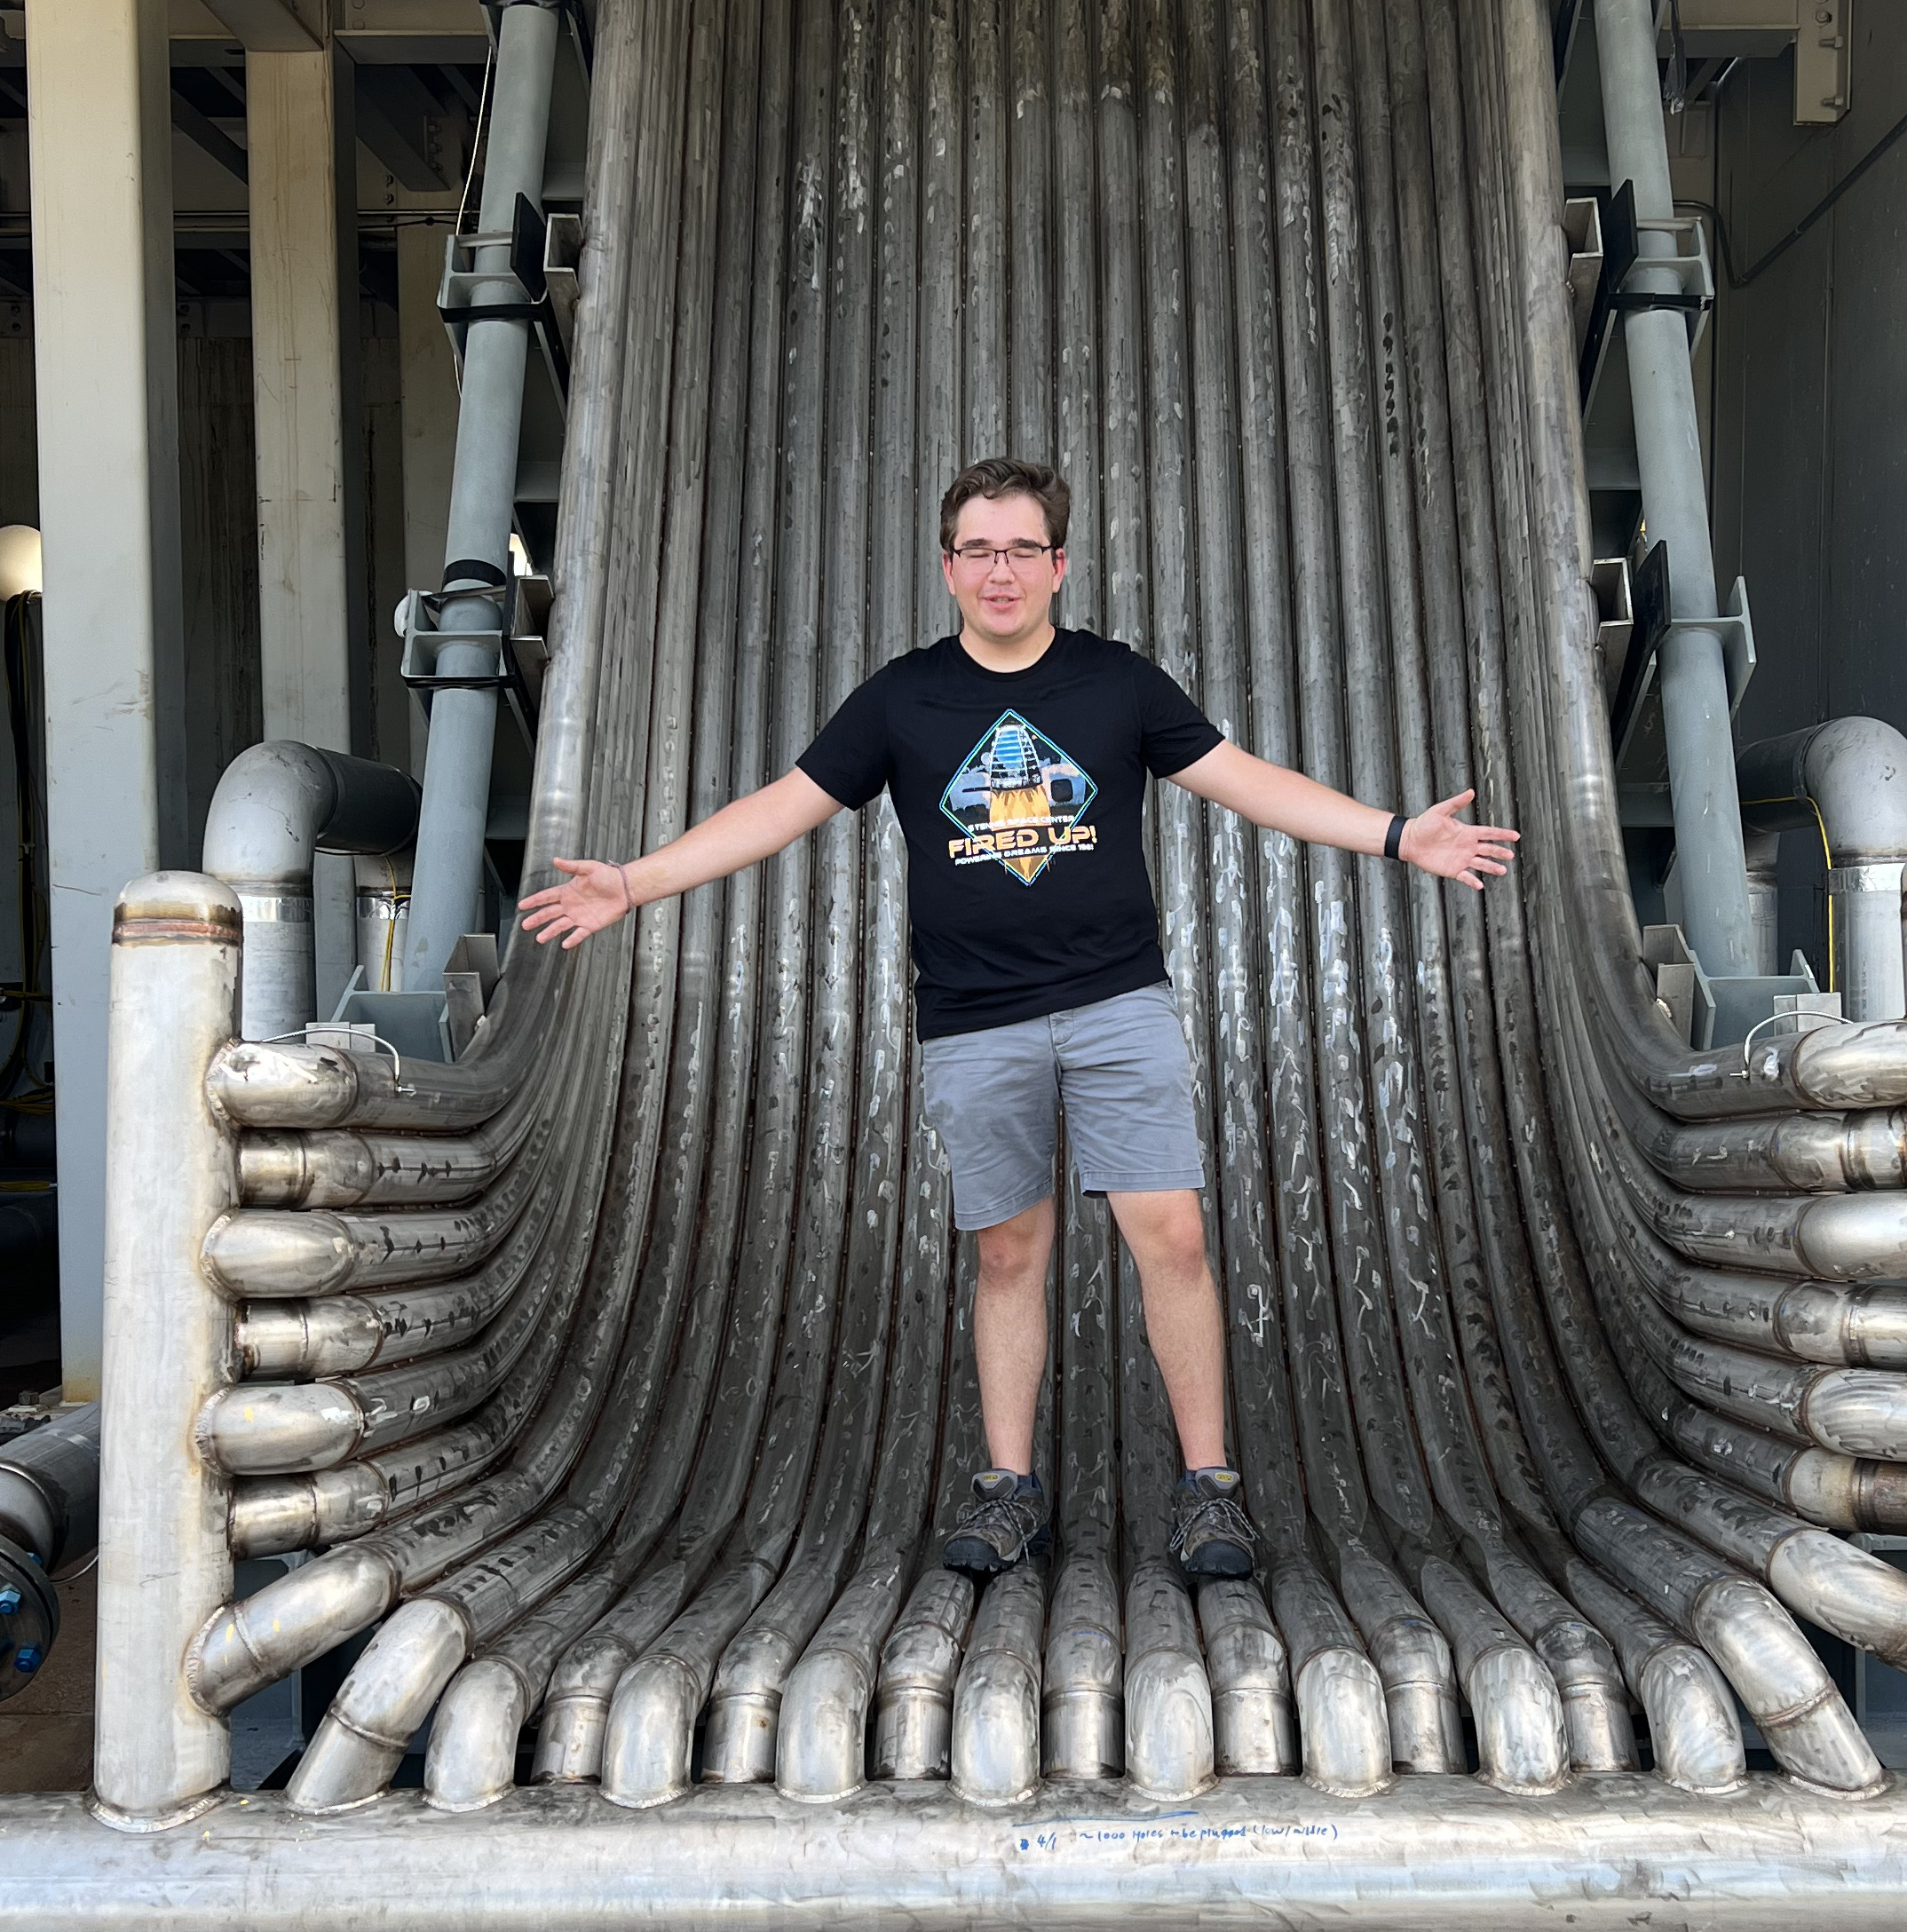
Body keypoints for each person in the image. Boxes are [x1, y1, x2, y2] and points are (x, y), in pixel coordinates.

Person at [518, 462, 1517, 1583]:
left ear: (1059, 566)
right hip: (972, 1021)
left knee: (1173, 1240)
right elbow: (778, 810)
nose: (1001, 571)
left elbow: (1248, 782)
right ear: (949, 566)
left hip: (1116, 1003)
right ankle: (1010, 1491)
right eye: (979, 551)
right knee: (1010, 1252)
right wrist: (636, 884)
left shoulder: (1116, 683)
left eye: (1023, 550)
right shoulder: (903, 697)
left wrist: (1395, 835)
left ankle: (1209, 1490)